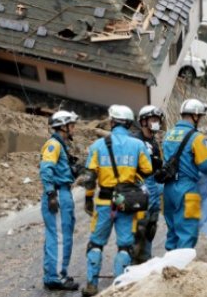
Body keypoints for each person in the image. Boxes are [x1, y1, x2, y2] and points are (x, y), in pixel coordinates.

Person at [81, 105, 153, 297]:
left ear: (112, 122)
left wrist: (88, 199)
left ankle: (91, 285)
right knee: (124, 245)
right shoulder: (137, 145)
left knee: (96, 244)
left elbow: (89, 177)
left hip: (104, 202)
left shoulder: (97, 146)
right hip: (126, 202)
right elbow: (147, 170)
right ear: (129, 124)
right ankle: (119, 288)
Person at [162, 99, 207, 250]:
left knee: (172, 232)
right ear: (196, 116)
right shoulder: (196, 137)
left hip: (168, 188)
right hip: (186, 190)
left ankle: (169, 268)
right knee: (187, 233)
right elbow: (206, 165)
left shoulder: (169, 134)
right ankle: (181, 270)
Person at [39, 110, 81, 291]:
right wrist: (51, 194)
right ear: (63, 127)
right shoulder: (53, 145)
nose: (74, 129)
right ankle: (56, 278)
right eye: (71, 125)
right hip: (57, 194)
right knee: (59, 238)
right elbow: (46, 169)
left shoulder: (61, 145)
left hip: (62, 192)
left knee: (57, 236)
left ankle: (54, 274)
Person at [132, 105, 165, 264]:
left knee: (151, 226)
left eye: (158, 120)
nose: (156, 123)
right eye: (153, 119)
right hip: (140, 186)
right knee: (140, 227)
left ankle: (145, 259)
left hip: (153, 187)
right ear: (143, 122)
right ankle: (133, 262)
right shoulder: (136, 141)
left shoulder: (154, 141)